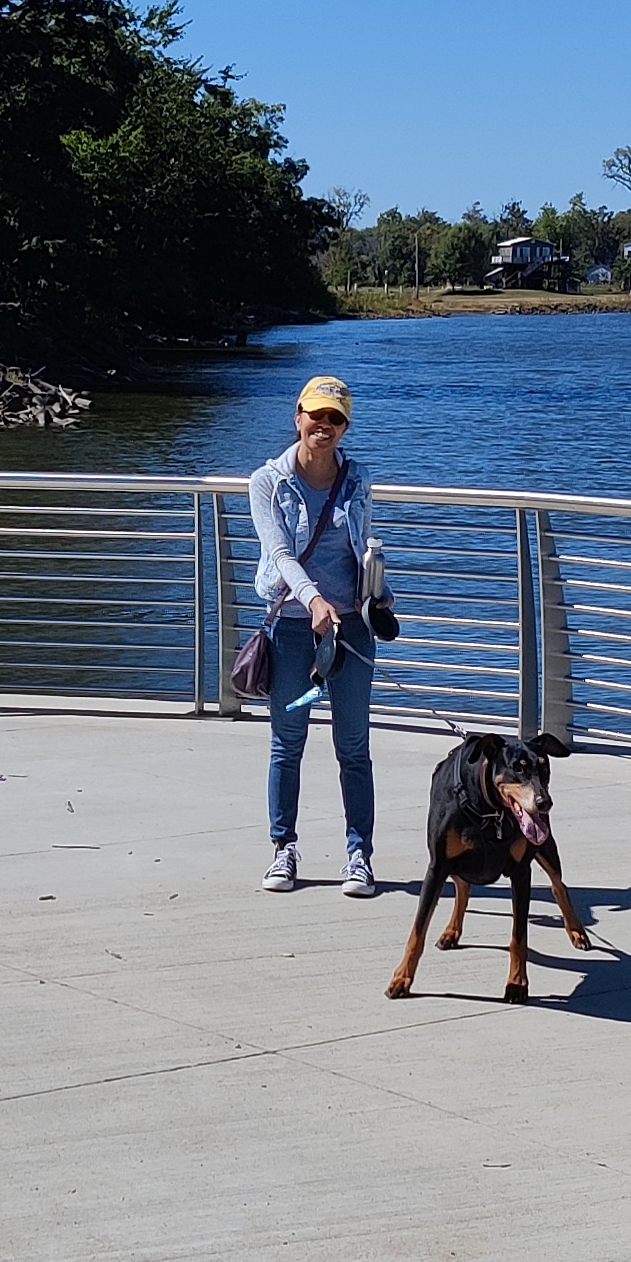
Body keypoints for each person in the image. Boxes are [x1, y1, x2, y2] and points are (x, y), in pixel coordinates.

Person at [247, 373, 380, 896]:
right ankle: (284, 850)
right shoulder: (268, 482)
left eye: (335, 418)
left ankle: (359, 855)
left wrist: (378, 591)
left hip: (350, 630)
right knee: (288, 742)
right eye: (316, 415)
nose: (323, 426)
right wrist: (314, 600)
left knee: (354, 747)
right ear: (297, 416)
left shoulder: (357, 478)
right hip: (293, 628)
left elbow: (363, 545)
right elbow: (279, 554)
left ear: (344, 427)